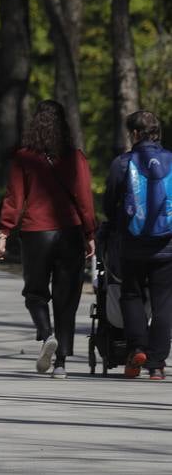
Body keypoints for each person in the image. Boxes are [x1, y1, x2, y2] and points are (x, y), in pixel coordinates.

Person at [0, 100, 96, 379]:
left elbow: (14, 198)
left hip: (36, 232)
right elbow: (85, 199)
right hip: (70, 231)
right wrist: (89, 233)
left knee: (35, 293)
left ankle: (46, 333)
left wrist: (4, 234)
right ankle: (61, 362)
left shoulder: (24, 157)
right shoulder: (76, 157)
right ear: (64, 125)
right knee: (67, 298)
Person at [103, 110, 172, 379]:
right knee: (164, 302)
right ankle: (156, 365)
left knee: (131, 294)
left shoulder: (123, 163)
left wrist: (116, 222)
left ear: (134, 133)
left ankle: (137, 349)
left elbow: (110, 203)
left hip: (132, 243)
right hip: (167, 244)